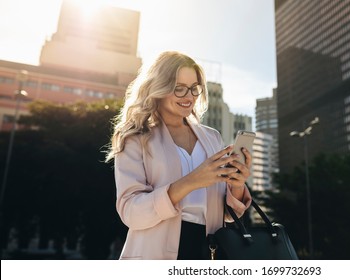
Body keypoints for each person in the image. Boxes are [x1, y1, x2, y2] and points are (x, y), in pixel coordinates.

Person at [105, 51, 252, 260]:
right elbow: (131, 212)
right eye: (179, 89)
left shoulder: (212, 137)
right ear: (159, 88)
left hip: (209, 250)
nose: (189, 96)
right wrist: (191, 182)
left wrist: (237, 185)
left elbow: (227, 216)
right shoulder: (135, 137)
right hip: (154, 252)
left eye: (194, 88)